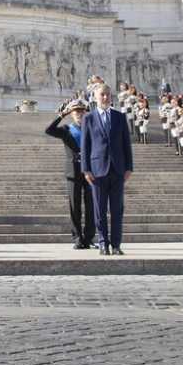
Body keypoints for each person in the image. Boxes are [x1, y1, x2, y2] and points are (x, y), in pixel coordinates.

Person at [81, 84, 133, 256]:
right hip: (97, 170)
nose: (105, 98)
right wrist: (86, 169)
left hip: (117, 170)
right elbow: (85, 145)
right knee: (100, 210)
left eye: (108, 95)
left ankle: (116, 244)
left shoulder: (119, 117)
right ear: (95, 97)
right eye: (102, 95)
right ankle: (103, 242)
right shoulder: (88, 118)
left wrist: (129, 167)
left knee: (117, 209)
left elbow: (126, 144)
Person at [45, 99, 95, 250]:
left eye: (81, 111)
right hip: (73, 171)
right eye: (76, 112)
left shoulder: (92, 128)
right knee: (75, 207)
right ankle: (78, 237)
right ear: (71, 114)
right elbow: (49, 130)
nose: (79, 114)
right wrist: (62, 115)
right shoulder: (66, 129)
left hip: (90, 171)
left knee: (90, 206)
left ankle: (89, 237)